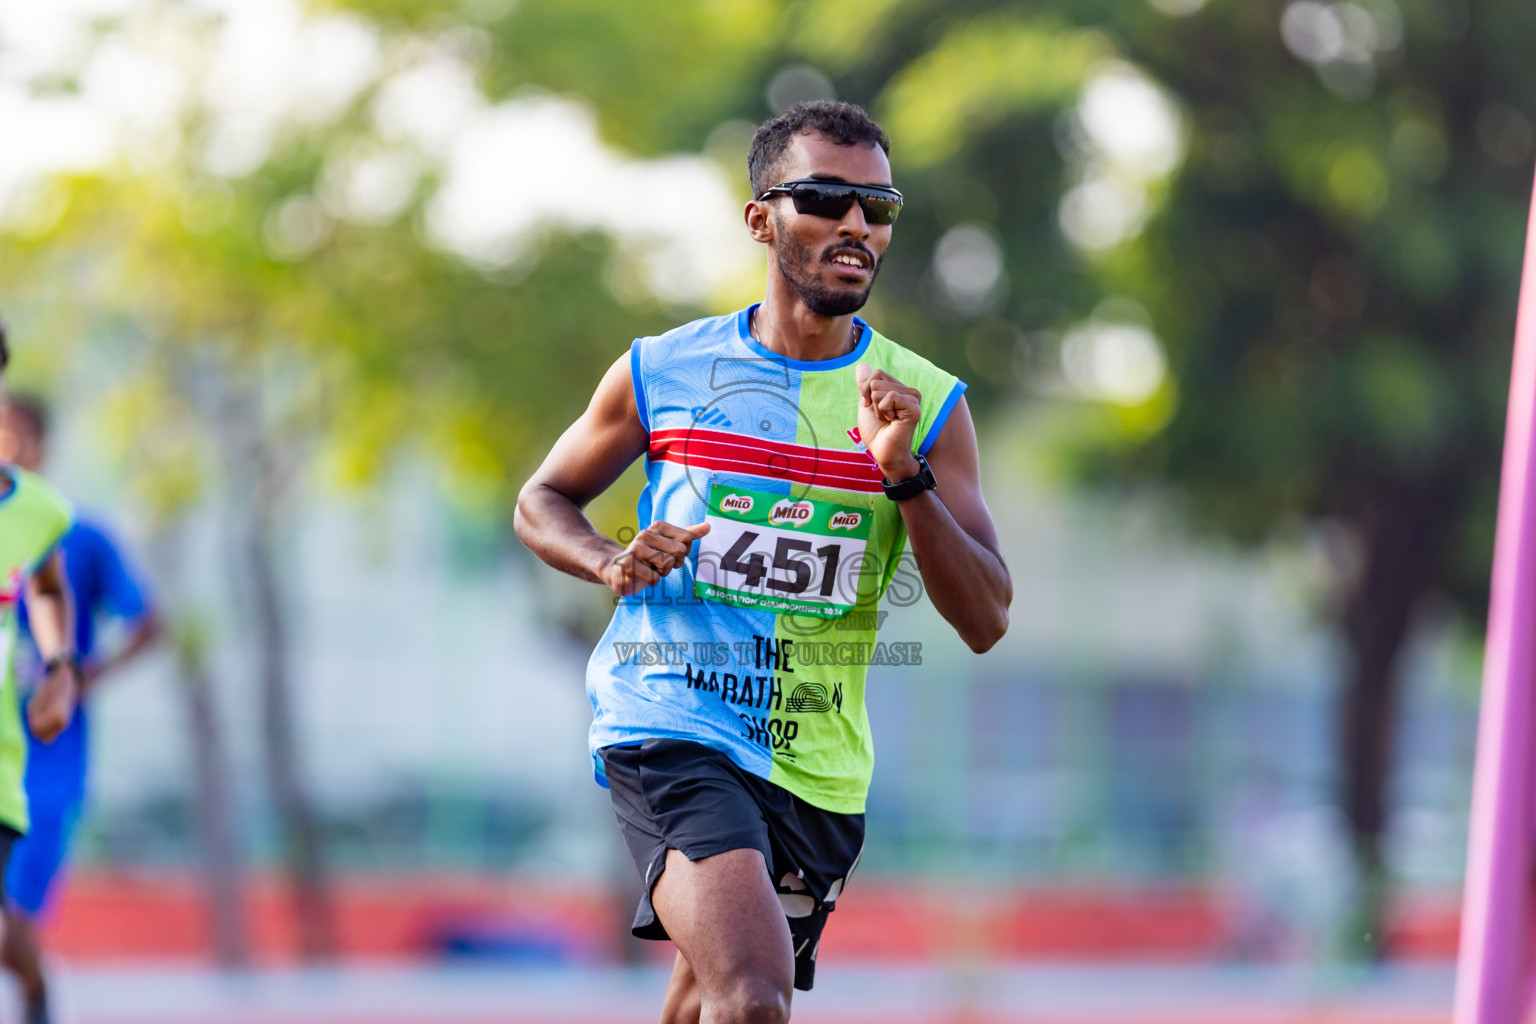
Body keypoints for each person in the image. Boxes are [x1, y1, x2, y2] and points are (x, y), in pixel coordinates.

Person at [515, 101, 1011, 1023]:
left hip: (818, 767)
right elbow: (541, 499)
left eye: (879, 206)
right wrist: (610, 561)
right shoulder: (663, 371)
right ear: (762, 219)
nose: (856, 225)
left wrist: (905, 477)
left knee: (706, 997)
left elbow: (986, 619)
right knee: (753, 998)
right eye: (826, 198)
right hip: (670, 723)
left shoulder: (927, 403)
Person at [0, 392, 162, 1024]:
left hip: (47, 762)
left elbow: (147, 622)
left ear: (41, 446)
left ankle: (39, 997)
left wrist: (79, 677)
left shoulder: (73, 531)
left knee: (13, 924)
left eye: (17, 436)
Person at [0, 325, 82, 1024]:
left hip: (1, 772)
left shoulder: (38, 510)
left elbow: (48, 587)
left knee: (6, 934)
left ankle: (36, 997)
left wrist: (60, 666)